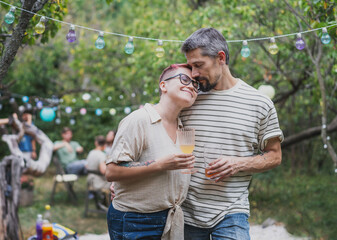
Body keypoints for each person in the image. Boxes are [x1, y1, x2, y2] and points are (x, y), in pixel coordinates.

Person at [180, 28, 284, 239]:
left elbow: (275, 155)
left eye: (199, 65)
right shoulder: (186, 100)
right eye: (190, 67)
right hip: (186, 213)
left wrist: (238, 163)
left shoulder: (259, 103)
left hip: (231, 212)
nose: (194, 74)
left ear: (220, 58)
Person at [105, 64, 198, 240]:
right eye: (185, 79)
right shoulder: (139, 120)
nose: (192, 86)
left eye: (195, 84)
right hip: (136, 219)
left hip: (170, 217)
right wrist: (160, 165)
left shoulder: (182, 127)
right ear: (163, 85)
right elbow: (112, 171)